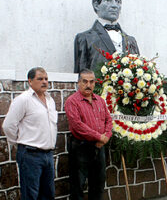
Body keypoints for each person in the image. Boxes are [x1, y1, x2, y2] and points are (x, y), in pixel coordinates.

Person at [3, 67, 58, 200]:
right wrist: (18, 143)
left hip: (48, 155)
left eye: (46, 79)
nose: (44, 82)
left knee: (47, 194)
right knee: (30, 195)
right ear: (30, 81)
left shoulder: (50, 100)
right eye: (40, 79)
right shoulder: (23, 100)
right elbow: (8, 125)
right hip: (30, 155)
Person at [65, 68, 113, 200]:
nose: (88, 85)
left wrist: (106, 137)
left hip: (99, 147)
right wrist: (99, 136)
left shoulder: (100, 101)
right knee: (77, 186)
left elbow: (109, 120)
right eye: (85, 81)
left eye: (92, 82)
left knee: (98, 185)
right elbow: (78, 126)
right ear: (78, 83)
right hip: (81, 148)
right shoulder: (72, 101)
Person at [74, 0, 140, 73]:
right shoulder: (84, 38)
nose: (114, 6)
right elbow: (80, 77)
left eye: (118, 1)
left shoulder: (131, 40)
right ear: (96, 5)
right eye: (108, 0)